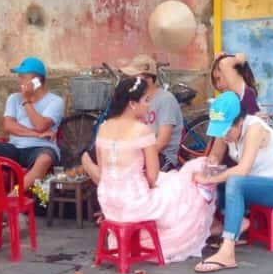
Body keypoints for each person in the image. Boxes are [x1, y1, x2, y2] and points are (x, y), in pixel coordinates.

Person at [80, 77, 215, 263]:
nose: (148, 105)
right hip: (135, 204)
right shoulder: (142, 130)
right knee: (187, 180)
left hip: (109, 204)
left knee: (168, 182)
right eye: (146, 101)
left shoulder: (103, 128)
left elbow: (104, 172)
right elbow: (152, 176)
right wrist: (146, 183)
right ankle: (207, 228)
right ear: (132, 104)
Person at [193, 91, 273, 273]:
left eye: (227, 130)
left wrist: (209, 178)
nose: (224, 136)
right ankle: (226, 224)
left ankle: (227, 252)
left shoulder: (255, 129)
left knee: (234, 180)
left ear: (240, 121)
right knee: (221, 176)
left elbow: (242, 170)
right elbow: (216, 156)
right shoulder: (226, 129)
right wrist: (211, 164)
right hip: (256, 184)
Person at [0, 57, 64, 190]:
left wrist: (26, 101)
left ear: (37, 81)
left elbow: (40, 125)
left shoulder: (55, 101)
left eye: (23, 77)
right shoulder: (13, 98)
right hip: (15, 147)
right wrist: (36, 135)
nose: (19, 81)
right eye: (19, 77)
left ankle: (12, 199)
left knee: (44, 160)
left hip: (41, 149)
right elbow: (8, 126)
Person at [121, 58, 183, 170]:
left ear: (149, 79)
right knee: (89, 157)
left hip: (161, 155)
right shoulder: (137, 99)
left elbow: (163, 140)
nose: (131, 81)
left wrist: (137, 159)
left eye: (134, 78)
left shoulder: (166, 99)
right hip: (140, 151)